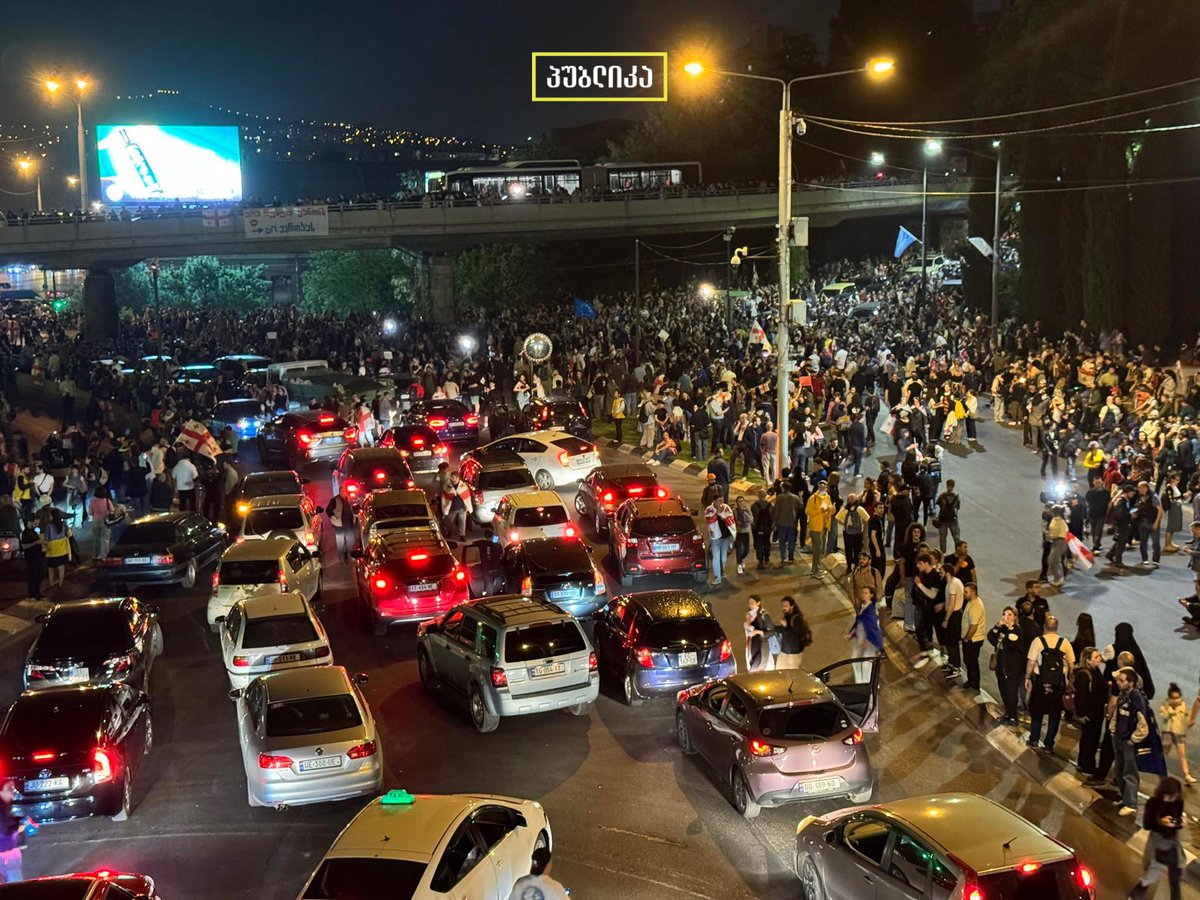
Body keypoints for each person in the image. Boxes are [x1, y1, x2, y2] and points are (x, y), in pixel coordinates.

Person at [1127, 776, 1186, 900]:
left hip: (1172, 841)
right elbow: (1148, 825)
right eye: (1168, 796)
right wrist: (1161, 822)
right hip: (1157, 840)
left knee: (1176, 873)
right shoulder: (1153, 803)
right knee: (1153, 870)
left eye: (1173, 796)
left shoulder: (1178, 802)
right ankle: (1137, 892)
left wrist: (1179, 823)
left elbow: (1177, 821)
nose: (1170, 799)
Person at [1025, 614, 1075, 753]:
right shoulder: (1064, 643)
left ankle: (1034, 739)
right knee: (1054, 715)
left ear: (1044, 627)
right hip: (1057, 684)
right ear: (1057, 627)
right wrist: (1069, 681)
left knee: (1037, 712)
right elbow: (1071, 665)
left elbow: (1031, 662)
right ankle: (1048, 745)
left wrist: (1027, 677)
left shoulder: (1038, 641)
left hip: (1040, 682)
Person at [1111, 665, 1151, 817]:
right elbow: (1117, 713)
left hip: (1128, 741)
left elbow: (1143, 725)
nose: (1118, 683)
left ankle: (1131, 803)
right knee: (1119, 770)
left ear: (1131, 683)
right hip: (1119, 737)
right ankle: (1125, 798)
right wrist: (1113, 730)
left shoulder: (1136, 699)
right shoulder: (1123, 694)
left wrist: (1133, 740)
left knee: (1130, 772)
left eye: (1121, 680)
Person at [1073, 647, 1109, 779]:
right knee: (1090, 740)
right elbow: (1081, 696)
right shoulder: (1084, 674)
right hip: (1090, 713)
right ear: (1088, 660)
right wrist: (1082, 714)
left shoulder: (1096, 671)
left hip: (1096, 711)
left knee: (1090, 739)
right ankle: (1087, 766)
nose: (1099, 659)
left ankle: (1084, 763)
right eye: (1096, 657)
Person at [1159, 683, 1195, 784]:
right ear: (1169, 697)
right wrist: (1171, 709)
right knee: (1165, 751)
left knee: (1182, 753)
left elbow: (1188, 716)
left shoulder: (1183, 705)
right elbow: (1163, 715)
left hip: (1179, 732)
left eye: (1178, 698)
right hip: (1167, 732)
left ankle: (1186, 774)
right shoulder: (1165, 705)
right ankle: (1160, 770)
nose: (1176, 700)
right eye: (1173, 698)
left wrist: (1189, 722)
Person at [849, 586, 885, 681]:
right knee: (855, 660)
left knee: (866, 664)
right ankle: (860, 682)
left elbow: (872, 628)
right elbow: (859, 620)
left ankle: (867, 684)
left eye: (866, 593)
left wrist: (867, 641)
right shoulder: (862, 606)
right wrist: (852, 632)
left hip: (869, 640)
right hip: (860, 638)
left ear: (871, 595)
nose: (863, 595)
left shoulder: (872, 611)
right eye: (863, 593)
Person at [959, 582, 986, 692]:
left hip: (973, 640)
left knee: (971, 661)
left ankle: (974, 684)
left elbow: (973, 627)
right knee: (968, 660)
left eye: (966, 592)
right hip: (971, 639)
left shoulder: (976, 606)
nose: (963, 593)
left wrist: (966, 639)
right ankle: (971, 680)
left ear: (973, 592)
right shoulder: (971, 601)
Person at [804, 479, 834, 577]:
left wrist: (831, 509)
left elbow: (830, 509)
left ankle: (818, 567)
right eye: (821, 486)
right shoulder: (813, 498)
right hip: (816, 527)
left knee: (821, 549)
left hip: (825, 526)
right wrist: (820, 511)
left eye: (824, 486)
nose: (822, 488)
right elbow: (808, 511)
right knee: (817, 549)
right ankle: (815, 570)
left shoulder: (827, 497)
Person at [705, 495, 735, 585]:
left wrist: (723, 517)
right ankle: (717, 576)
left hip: (725, 536)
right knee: (716, 557)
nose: (721, 502)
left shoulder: (726, 508)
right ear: (714, 501)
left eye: (722, 500)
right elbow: (709, 520)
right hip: (715, 537)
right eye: (719, 500)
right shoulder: (709, 509)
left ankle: (723, 571)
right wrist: (718, 514)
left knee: (723, 558)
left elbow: (730, 518)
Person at [775, 596, 811, 669]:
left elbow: (794, 636)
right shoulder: (787, 616)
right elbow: (783, 630)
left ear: (792, 606)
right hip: (784, 651)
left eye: (786, 606)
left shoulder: (797, 619)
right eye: (782, 606)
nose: (783, 608)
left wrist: (785, 627)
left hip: (793, 654)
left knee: (791, 676)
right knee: (779, 673)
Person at [771, 481, 801, 566]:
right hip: (792, 522)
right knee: (791, 541)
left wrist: (774, 521)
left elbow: (776, 510)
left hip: (781, 523)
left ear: (783, 488)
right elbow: (801, 507)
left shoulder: (780, 497)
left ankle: (783, 558)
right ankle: (791, 557)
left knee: (782, 541)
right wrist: (801, 497)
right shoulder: (795, 497)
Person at [40, 509, 71, 589]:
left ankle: (51, 584)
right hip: (62, 550)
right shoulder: (64, 524)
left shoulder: (48, 526)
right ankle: (60, 584)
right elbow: (69, 534)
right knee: (61, 568)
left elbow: (46, 538)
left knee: (51, 569)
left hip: (52, 550)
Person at [440, 471, 473, 542]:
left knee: (462, 522)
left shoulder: (463, 486)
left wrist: (467, 505)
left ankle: (462, 535)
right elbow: (446, 492)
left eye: (453, 477)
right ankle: (449, 533)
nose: (451, 478)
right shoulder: (447, 485)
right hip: (451, 508)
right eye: (451, 477)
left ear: (457, 478)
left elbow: (467, 496)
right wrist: (451, 489)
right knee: (450, 522)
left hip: (461, 507)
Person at [837, 494, 868, 569]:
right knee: (857, 549)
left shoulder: (844, 509)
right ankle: (857, 565)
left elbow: (837, 518)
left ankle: (849, 565)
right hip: (858, 533)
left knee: (848, 549)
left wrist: (844, 523)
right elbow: (867, 518)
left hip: (847, 533)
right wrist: (864, 527)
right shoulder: (860, 509)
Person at [0, 778, 22, 884]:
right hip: (7, 854)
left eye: (13, 789)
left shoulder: (5, 807)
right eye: (9, 789)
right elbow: (5, 831)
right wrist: (20, 829)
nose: (12, 793)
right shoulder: (2, 809)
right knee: (15, 884)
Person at [744, 595, 774, 671]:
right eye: (749, 603)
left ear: (758, 603)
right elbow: (748, 629)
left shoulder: (764, 615)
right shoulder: (750, 615)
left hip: (761, 646)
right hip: (752, 645)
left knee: (756, 668)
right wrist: (748, 622)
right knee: (752, 666)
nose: (750, 605)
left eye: (752, 603)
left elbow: (772, 631)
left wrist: (757, 632)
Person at [326, 493, 356, 564]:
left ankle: (349, 557)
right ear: (340, 491)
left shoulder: (348, 499)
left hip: (349, 525)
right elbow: (328, 510)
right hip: (339, 526)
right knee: (341, 544)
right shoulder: (335, 500)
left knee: (350, 543)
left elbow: (352, 510)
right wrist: (334, 518)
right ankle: (342, 559)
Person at [934, 478, 961, 553]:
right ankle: (957, 553)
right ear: (953, 486)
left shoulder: (942, 496)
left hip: (943, 520)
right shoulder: (957, 496)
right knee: (956, 537)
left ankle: (943, 554)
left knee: (942, 538)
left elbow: (938, 504)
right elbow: (957, 507)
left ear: (946, 485)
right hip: (953, 520)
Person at [750, 488, 773, 570]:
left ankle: (760, 560)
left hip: (757, 528)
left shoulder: (754, 506)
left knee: (759, 543)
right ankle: (767, 557)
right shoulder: (770, 505)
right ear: (766, 495)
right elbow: (772, 517)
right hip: (768, 529)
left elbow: (752, 517)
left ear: (758, 496)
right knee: (767, 542)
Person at [19, 524, 43, 601]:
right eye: (35, 522)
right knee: (32, 576)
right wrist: (36, 542)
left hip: (38, 556)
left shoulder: (34, 531)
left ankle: (37, 593)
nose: (36, 524)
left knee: (38, 575)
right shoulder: (25, 533)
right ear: (29, 522)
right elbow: (24, 546)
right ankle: (32, 594)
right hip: (31, 557)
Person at [733, 495, 752, 576]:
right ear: (736, 503)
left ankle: (741, 559)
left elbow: (751, 520)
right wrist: (736, 522)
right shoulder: (734, 510)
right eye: (739, 501)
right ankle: (739, 565)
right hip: (738, 532)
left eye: (742, 501)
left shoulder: (747, 509)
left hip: (746, 531)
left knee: (746, 549)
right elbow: (732, 520)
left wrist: (745, 513)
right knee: (738, 549)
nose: (740, 503)